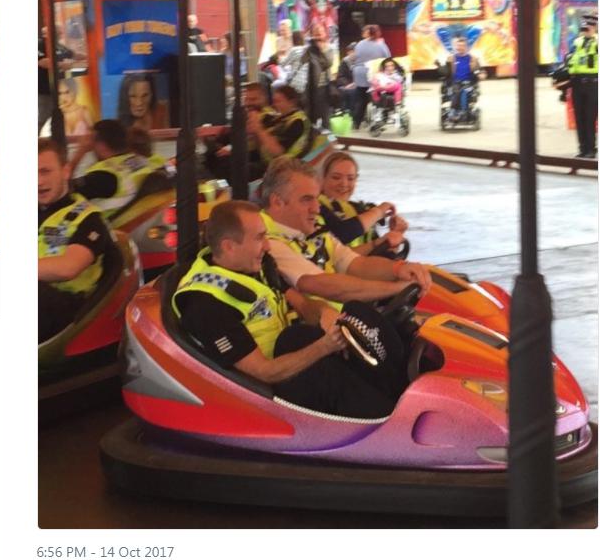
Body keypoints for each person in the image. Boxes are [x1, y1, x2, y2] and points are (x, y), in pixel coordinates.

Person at [172, 200, 408, 419]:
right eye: (259, 238)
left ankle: (404, 397)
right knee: (308, 352)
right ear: (229, 246)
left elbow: (303, 304)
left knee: (356, 313)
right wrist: (325, 346)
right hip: (263, 395)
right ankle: (388, 423)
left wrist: (325, 313)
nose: (267, 245)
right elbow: (264, 372)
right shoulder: (204, 302)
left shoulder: (256, 265)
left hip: (291, 355)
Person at [260, 157, 430, 307]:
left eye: (316, 199)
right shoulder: (265, 241)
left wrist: (399, 269)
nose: (316, 208)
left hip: (340, 323)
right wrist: (396, 288)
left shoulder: (312, 227)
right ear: (278, 202)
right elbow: (329, 287)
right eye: (306, 200)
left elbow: (355, 264)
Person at [38, 138, 115, 343]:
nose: (38, 181)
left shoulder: (88, 219)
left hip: (63, 306)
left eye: (45, 171)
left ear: (65, 171)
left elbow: (69, 267)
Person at [319, 151, 409, 257]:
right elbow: (342, 233)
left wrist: (395, 236)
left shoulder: (358, 210)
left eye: (350, 178)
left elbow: (381, 257)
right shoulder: (315, 206)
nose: (344, 184)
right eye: (336, 177)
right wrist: (378, 211)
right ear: (322, 178)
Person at [71, 119, 165, 218]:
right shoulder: (141, 161)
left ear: (101, 146)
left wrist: (80, 151)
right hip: (137, 222)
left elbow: (62, 190)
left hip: (110, 229)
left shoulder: (103, 177)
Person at [567, 15, 598, 158]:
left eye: (589, 27)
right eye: (584, 28)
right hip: (577, 83)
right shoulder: (577, 42)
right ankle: (582, 149)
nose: (586, 30)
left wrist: (593, 37)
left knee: (590, 117)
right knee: (579, 117)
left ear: (595, 27)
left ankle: (591, 149)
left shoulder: (598, 42)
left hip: (593, 83)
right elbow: (569, 60)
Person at [38, 25, 76, 132]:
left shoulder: (59, 46)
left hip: (58, 90)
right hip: (44, 90)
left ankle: (55, 141)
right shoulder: (40, 45)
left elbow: (73, 54)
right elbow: (42, 62)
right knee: (43, 118)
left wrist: (87, 57)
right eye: (58, 33)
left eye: (60, 33)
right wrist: (61, 64)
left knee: (57, 118)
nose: (60, 35)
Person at [351, 25, 390, 128]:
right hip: (375, 76)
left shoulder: (359, 44)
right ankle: (379, 119)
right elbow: (388, 59)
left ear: (368, 33)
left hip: (360, 75)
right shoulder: (381, 44)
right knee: (377, 98)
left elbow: (354, 58)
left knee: (361, 100)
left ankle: (356, 123)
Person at [300, 23, 334, 127]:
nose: (319, 36)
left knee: (325, 116)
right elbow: (302, 61)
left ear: (325, 34)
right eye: (316, 34)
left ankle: (326, 138)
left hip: (324, 86)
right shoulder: (309, 49)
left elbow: (328, 63)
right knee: (310, 115)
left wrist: (322, 50)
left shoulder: (329, 48)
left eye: (321, 33)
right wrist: (309, 47)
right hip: (311, 86)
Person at [445, 37, 480, 121]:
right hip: (456, 82)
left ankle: (463, 111)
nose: (460, 48)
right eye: (458, 46)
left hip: (469, 83)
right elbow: (446, 70)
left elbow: (480, 70)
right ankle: (454, 111)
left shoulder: (473, 59)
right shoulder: (451, 59)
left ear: (466, 47)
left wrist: (480, 74)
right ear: (456, 47)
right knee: (455, 90)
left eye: (462, 46)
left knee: (464, 91)